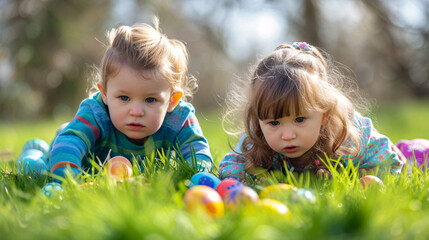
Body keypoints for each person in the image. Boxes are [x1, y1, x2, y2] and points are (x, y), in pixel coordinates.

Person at [19, 18, 213, 180]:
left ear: (172, 100)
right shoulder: (96, 113)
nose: (136, 111)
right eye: (124, 98)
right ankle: (37, 150)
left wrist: (199, 178)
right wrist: (71, 179)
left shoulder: (179, 118)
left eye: (150, 100)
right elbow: (69, 143)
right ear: (104, 94)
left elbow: (198, 155)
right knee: (45, 158)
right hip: (80, 150)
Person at [219, 42, 406, 183]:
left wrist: (361, 179)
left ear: (324, 114)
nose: (288, 135)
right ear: (258, 120)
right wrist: (241, 186)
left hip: (387, 154)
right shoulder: (257, 142)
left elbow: (390, 162)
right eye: (274, 123)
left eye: (299, 119)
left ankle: (411, 148)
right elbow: (230, 166)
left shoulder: (348, 136)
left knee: (413, 152)